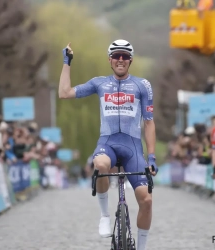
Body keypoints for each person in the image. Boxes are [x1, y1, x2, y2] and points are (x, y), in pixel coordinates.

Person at [58, 39, 158, 250]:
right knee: (100, 166)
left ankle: (142, 247)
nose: (120, 60)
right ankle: (104, 215)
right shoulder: (99, 83)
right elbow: (64, 93)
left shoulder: (143, 85)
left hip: (133, 148)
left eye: (124, 56)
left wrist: (152, 156)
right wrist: (67, 63)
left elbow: (149, 123)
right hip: (108, 143)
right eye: (116, 56)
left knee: (146, 201)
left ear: (130, 60)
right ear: (110, 60)